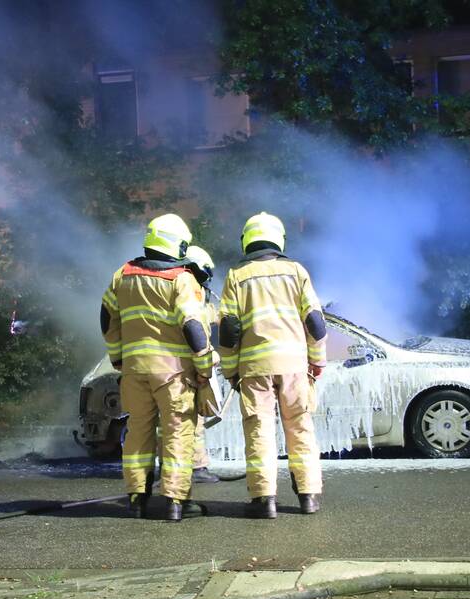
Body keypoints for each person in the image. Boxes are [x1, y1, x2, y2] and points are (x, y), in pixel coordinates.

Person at [101, 214, 216, 522]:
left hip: (135, 371)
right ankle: (176, 503)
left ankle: (137, 498)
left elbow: (106, 316)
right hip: (173, 374)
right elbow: (193, 325)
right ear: (177, 244)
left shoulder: (122, 274)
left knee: (138, 430)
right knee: (178, 432)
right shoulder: (181, 278)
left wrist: (118, 357)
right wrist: (204, 365)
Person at [217, 212, 327, 519]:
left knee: (259, 431)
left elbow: (227, 329)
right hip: (294, 365)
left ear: (247, 240)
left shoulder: (237, 276)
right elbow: (316, 324)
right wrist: (317, 362)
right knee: (301, 428)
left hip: (254, 368)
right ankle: (308, 497)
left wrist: (230, 371)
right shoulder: (296, 271)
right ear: (279, 238)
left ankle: (265, 501)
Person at [183, 245, 221, 484]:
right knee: (190, 419)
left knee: (177, 421)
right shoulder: (190, 294)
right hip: (190, 365)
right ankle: (196, 469)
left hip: (178, 365)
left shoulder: (185, 290)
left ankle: (176, 469)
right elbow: (198, 329)